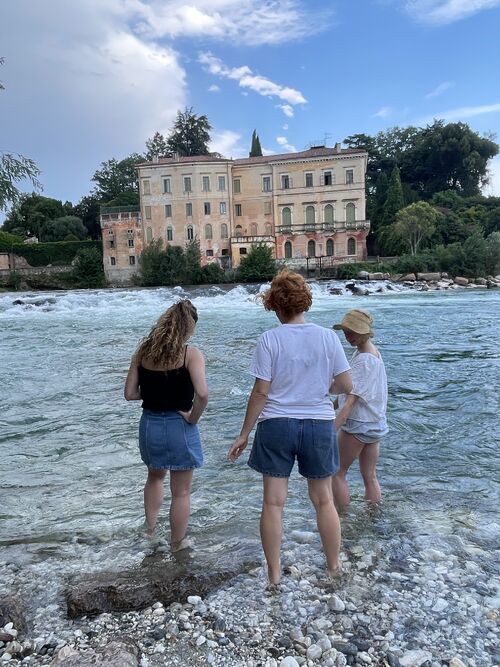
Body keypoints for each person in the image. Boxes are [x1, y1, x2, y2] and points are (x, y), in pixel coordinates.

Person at [228, 270, 352, 585]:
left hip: (276, 424)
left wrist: (244, 433)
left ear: (276, 306)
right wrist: (323, 388)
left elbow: (261, 392)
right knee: (323, 500)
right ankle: (334, 567)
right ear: (304, 303)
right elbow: (345, 384)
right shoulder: (328, 337)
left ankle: (273, 575)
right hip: (318, 424)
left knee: (273, 501)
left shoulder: (269, 340)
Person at [124, 299, 208, 552]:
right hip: (178, 425)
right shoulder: (189, 354)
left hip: (149, 424)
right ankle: (177, 543)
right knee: (181, 492)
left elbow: (129, 393)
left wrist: (154, 394)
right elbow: (202, 395)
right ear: (189, 327)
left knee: (154, 477)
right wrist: (193, 417)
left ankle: (150, 532)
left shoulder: (143, 352)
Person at [331, 309, 388, 507]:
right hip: (376, 423)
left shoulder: (363, 360)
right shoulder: (373, 353)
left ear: (365, 332)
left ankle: (342, 518)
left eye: (352, 332)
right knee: (369, 476)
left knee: (337, 473)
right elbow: (358, 390)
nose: (348, 337)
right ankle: (373, 516)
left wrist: (331, 430)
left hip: (358, 424)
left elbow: (350, 402)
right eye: (346, 332)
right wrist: (332, 403)